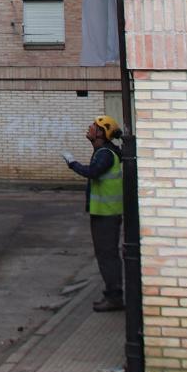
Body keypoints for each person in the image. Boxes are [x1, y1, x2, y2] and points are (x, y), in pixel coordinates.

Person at [63, 115, 124, 311]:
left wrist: (72, 163)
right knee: (108, 255)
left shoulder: (104, 154)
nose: (89, 128)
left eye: (94, 126)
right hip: (105, 213)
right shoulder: (105, 151)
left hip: (106, 214)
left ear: (102, 132)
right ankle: (113, 294)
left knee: (107, 255)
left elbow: (93, 172)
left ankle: (114, 297)